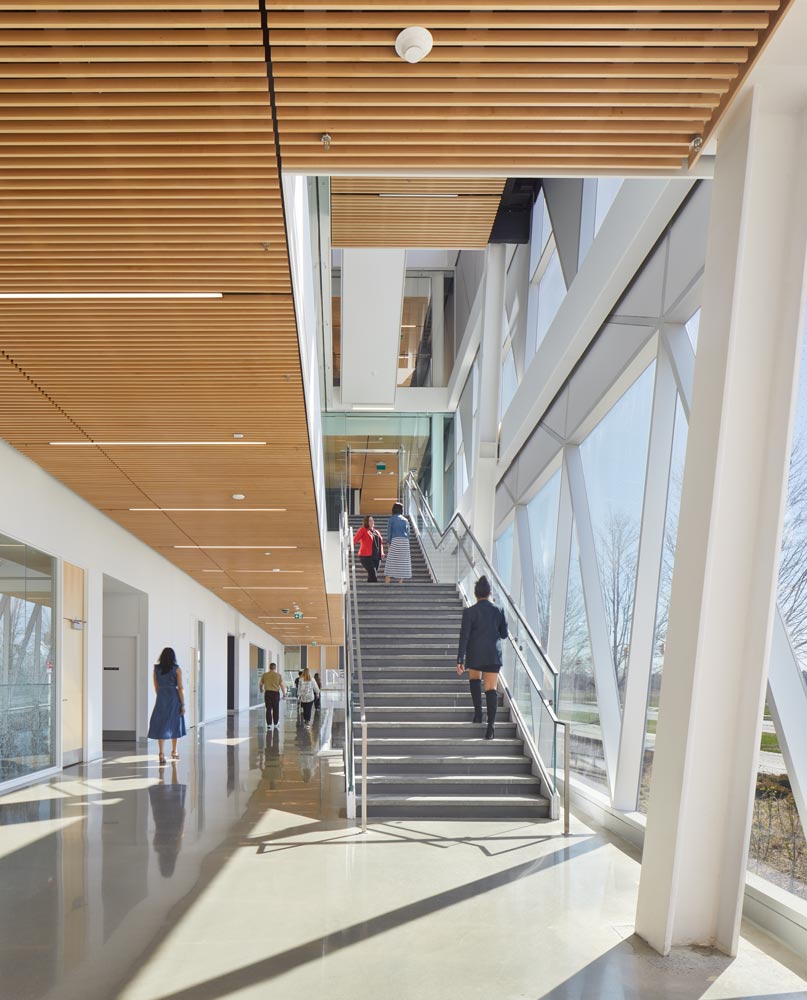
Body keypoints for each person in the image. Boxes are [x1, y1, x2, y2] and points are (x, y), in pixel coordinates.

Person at [455, 576, 508, 740]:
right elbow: (504, 635)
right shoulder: (499, 610)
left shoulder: (469, 612)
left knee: (475, 679)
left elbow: (464, 637)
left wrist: (460, 660)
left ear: (476, 594)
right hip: (492, 654)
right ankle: (491, 728)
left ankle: (478, 713)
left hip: (475, 653)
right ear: (490, 592)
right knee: (491, 689)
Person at [147, 647, 187, 764]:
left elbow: (156, 686)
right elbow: (180, 688)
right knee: (175, 724)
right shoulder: (177, 669)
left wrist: (161, 696)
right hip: (174, 698)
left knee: (161, 725)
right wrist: (183, 704)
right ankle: (174, 751)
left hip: (161, 698)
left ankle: (161, 753)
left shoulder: (156, 669)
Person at [384, 501, 412, 584]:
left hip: (395, 540)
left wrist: (388, 543)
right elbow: (408, 533)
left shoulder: (391, 519)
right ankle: (400, 583)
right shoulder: (406, 520)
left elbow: (389, 532)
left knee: (391, 561)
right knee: (403, 562)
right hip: (405, 542)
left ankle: (387, 582)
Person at [353, 514, 384, 583]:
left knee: (371, 574)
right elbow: (355, 539)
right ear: (366, 522)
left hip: (377, 556)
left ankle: (369, 589)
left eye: (372, 520)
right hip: (366, 556)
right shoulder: (363, 530)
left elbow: (381, 543)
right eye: (370, 520)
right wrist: (351, 546)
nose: (372, 522)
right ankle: (376, 590)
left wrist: (382, 552)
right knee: (373, 573)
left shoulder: (376, 532)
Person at [259, 662, 285, 729]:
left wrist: (261, 689)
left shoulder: (265, 675)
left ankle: (269, 724)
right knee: (276, 709)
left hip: (268, 693)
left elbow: (260, 684)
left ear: (269, 667)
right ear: (275, 668)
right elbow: (282, 685)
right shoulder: (278, 675)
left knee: (268, 709)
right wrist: (284, 693)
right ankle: (276, 723)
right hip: (275, 693)